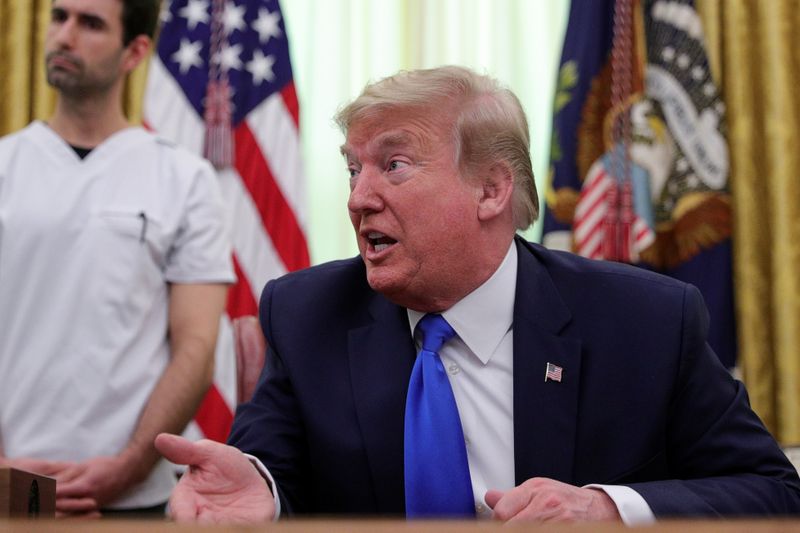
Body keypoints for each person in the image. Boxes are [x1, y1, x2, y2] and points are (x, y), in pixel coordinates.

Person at [155, 66, 800, 523]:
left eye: (394, 165)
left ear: (491, 191)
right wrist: (260, 492)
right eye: (353, 168)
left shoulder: (646, 322)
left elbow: (773, 492)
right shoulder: (306, 313)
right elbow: (272, 469)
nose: (357, 197)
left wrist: (608, 508)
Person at [0, 0, 234, 517]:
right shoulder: (6, 166)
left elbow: (196, 345)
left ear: (136, 52)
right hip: (6, 493)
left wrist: (127, 465)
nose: (64, 35)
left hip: (135, 497)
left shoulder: (185, 179)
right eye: (59, 17)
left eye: (90, 24)